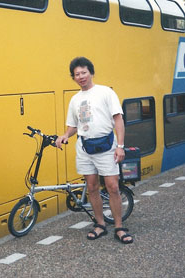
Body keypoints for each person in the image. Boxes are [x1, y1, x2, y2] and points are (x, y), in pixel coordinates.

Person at [55, 57, 133, 244]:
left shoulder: (105, 92)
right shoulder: (75, 100)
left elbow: (118, 119)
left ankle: (119, 227)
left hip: (107, 146)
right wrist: (65, 135)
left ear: (91, 72)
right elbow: (74, 125)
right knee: (91, 187)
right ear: (73, 78)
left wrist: (120, 146)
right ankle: (100, 225)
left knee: (112, 187)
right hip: (85, 147)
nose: (81, 77)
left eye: (83, 72)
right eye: (76, 74)